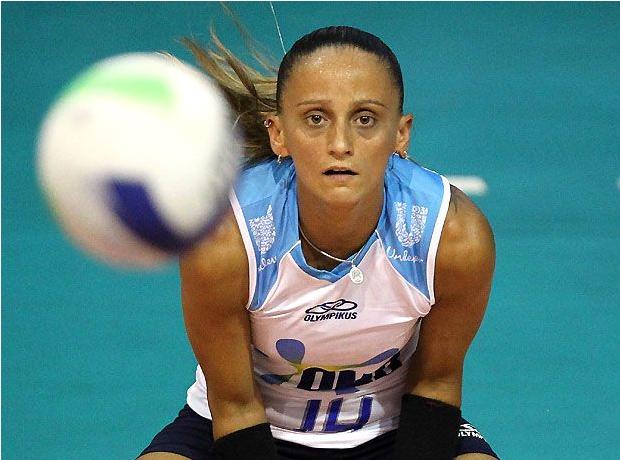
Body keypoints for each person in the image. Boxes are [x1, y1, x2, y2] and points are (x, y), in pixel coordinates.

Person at [139, 25, 498, 460]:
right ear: (278, 134)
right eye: (315, 119)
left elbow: (435, 384)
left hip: (396, 428)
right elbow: (235, 406)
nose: (340, 144)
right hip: (248, 427)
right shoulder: (226, 239)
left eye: (365, 119)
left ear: (400, 134)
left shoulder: (452, 236)